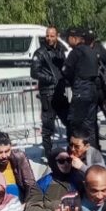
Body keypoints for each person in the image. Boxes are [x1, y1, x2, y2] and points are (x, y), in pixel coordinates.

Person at [31, 27, 69, 158]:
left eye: (52, 36)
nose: (49, 38)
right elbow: (34, 72)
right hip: (48, 94)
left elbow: (64, 68)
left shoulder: (60, 51)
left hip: (60, 93)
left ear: (57, 36)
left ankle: (72, 149)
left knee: (70, 121)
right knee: (48, 127)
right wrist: (51, 79)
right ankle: (49, 155)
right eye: (47, 35)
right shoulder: (40, 52)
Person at [63, 28, 100, 149]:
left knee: (76, 124)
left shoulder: (76, 52)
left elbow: (66, 71)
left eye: (68, 38)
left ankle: (76, 152)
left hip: (81, 91)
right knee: (90, 125)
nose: (67, 42)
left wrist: (71, 81)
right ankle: (93, 152)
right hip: (93, 90)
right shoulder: (92, 51)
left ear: (73, 38)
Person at [87, 29, 106, 152]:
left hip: (103, 91)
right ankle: (95, 149)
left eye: (91, 39)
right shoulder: (81, 50)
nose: (90, 41)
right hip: (90, 91)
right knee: (91, 122)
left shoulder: (99, 48)